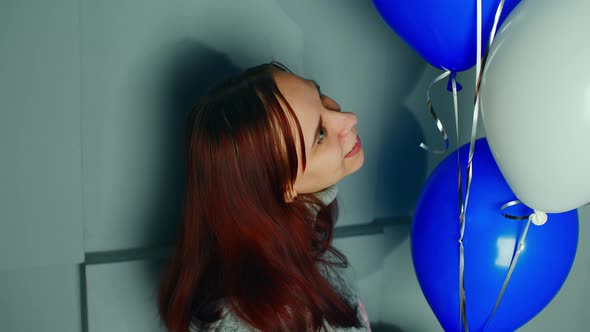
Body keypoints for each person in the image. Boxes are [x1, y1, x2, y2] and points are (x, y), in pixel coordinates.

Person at [157, 61, 368, 332]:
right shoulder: (244, 321)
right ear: (282, 186)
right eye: (320, 135)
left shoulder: (301, 250)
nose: (349, 118)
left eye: (321, 97)